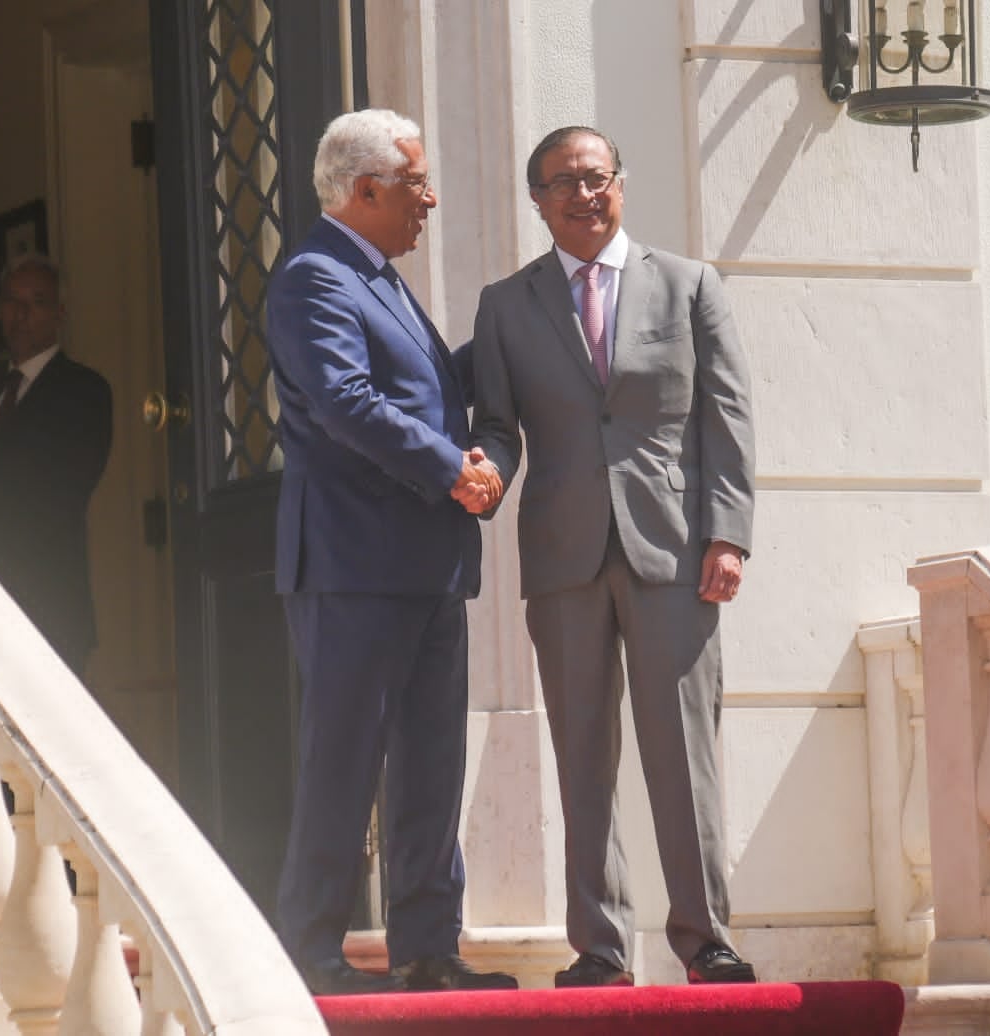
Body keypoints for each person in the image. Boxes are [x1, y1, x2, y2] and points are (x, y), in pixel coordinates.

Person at [470, 126, 758, 988]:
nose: (583, 195)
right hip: (563, 558)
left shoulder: (690, 284)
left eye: (596, 178)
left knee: (684, 756)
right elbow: (498, 425)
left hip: (674, 551)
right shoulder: (505, 305)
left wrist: (728, 533)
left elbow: (727, 415)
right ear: (537, 201)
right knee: (582, 758)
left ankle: (706, 940)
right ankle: (599, 949)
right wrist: (487, 473)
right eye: (562, 183)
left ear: (621, 185)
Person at [265, 108, 512, 996]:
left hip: (426, 564)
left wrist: (522, 334)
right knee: (345, 761)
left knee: (430, 763)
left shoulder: (378, 277)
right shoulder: (315, 277)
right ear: (365, 189)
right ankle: (312, 953)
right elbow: (346, 402)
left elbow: (423, 391)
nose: (430, 200)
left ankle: (428, 949)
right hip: (353, 564)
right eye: (416, 183)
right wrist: (453, 469)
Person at [0, 254, 112, 675]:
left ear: (59, 314)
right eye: (12, 302)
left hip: (48, 595)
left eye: (37, 302)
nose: (22, 314)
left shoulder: (84, 390)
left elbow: (67, 489)